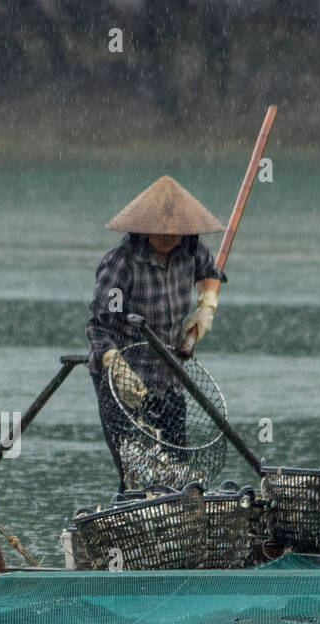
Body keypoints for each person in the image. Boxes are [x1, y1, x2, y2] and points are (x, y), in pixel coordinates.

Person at [86, 175, 227, 490]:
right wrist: (114, 362)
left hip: (169, 375)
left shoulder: (189, 248)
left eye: (173, 232)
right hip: (124, 381)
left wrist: (207, 307)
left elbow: (210, 274)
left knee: (177, 470)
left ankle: (177, 527)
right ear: (143, 228)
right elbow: (97, 323)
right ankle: (131, 515)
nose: (167, 238)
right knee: (136, 470)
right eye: (160, 232)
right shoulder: (121, 263)